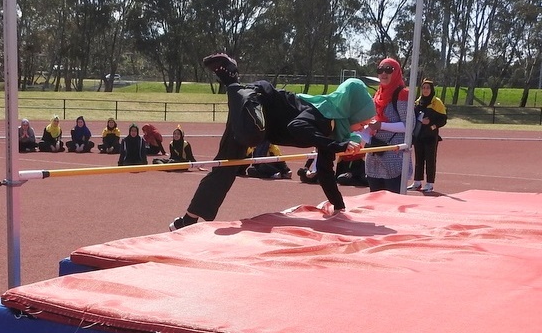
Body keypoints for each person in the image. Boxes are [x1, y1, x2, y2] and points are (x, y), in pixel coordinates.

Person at [170, 53, 375, 230]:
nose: (363, 127)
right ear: (352, 111)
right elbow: (296, 127)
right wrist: (338, 146)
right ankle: (231, 81)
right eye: (363, 122)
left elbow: (325, 170)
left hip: (254, 121)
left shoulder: (332, 131)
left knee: (226, 166)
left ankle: (188, 219)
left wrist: (339, 207)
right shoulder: (320, 116)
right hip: (258, 100)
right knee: (253, 134)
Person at [364, 58, 411, 194]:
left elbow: (409, 126)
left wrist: (381, 125)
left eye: (388, 70)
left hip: (393, 159)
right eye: (380, 70)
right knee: (374, 201)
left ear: (396, 72)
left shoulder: (402, 94)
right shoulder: (377, 94)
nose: (383, 74)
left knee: (395, 204)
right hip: (374, 157)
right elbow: (371, 120)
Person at [408, 79, 447, 193]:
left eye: (428, 88)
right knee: (418, 160)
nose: (425, 90)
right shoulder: (418, 102)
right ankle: (417, 182)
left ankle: (429, 183)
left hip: (431, 137)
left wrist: (431, 125)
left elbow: (443, 120)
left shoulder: (437, 103)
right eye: (424, 88)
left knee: (430, 160)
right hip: (419, 136)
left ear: (432, 89)